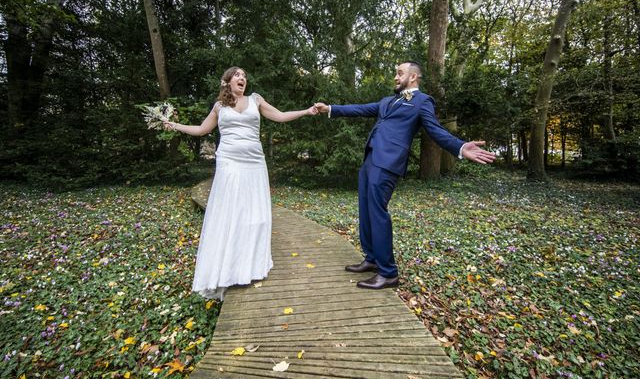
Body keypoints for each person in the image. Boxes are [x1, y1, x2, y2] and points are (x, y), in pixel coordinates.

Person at [314, 62, 495, 290]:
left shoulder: (422, 101)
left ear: (413, 77)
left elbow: (434, 129)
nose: (395, 77)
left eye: (400, 73)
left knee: (377, 212)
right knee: (366, 209)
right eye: (396, 72)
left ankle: (388, 273)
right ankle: (371, 259)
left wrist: (460, 147)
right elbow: (359, 108)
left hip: (388, 163)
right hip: (370, 159)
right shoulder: (387, 102)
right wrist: (329, 108)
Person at [164, 66, 317, 299]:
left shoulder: (256, 100)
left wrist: (306, 111)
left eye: (244, 76)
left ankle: (250, 265)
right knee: (230, 212)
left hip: (254, 162)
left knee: (256, 214)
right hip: (228, 162)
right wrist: (175, 125)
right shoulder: (219, 107)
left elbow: (280, 116)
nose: (242, 78)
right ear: (227, 82)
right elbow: (201, 130)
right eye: (237, 75)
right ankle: (226, 268)